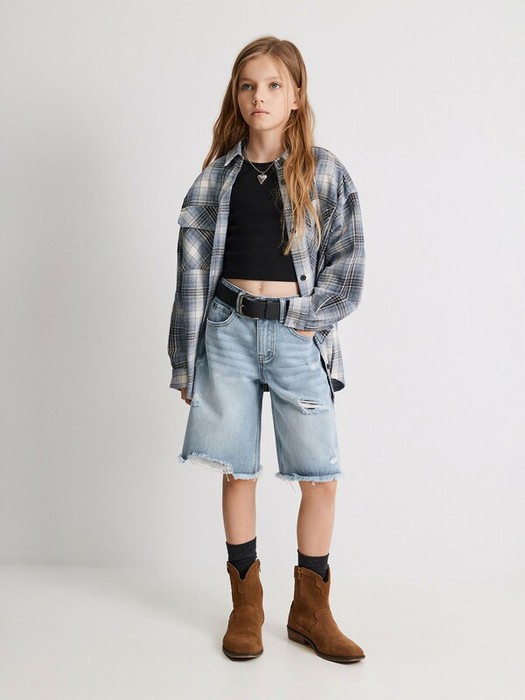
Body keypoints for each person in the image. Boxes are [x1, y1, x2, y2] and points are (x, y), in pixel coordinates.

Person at [167, 36, 366, 663]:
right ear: (237, 96)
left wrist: (309, 317)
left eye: (275, 85)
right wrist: (185, 359)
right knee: (237, 470)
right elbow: (191, 276)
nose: (261, 96)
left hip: (296, 337)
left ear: (297, 97)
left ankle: (311, 608)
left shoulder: (325, 172)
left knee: (320, 475)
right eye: (249, 85)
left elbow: (348, 265)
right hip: (227, 332)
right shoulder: (215, 178)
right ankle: (246, 606)